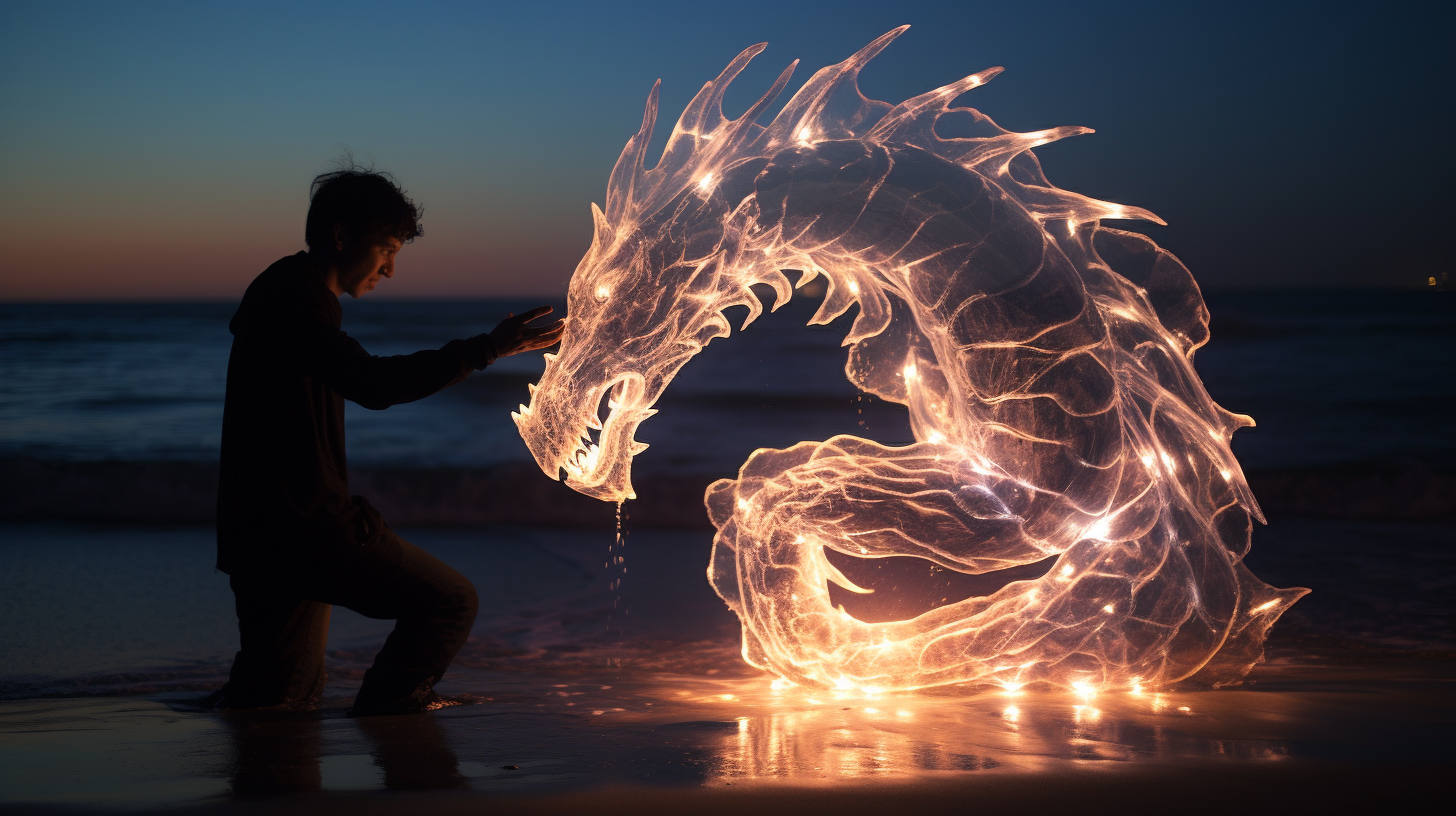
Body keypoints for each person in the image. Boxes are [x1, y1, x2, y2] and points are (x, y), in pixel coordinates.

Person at [213, 167, 563, 716]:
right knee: (450, 601)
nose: (390, 270)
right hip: (300, 530)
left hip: (266, 532)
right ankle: (393, 716)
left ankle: (269, 772)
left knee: (278, 695)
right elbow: (373, 384)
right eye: (386, 250)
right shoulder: (295, 299)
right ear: (342, 236)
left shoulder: (286, 291)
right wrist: (484, 350)